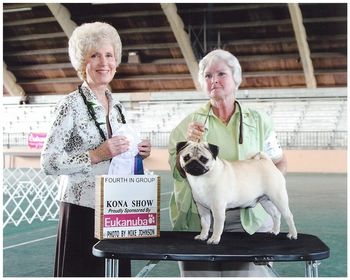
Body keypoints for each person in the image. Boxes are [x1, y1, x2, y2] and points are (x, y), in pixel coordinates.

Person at [41, 22, 151, 277]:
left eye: (109, 55)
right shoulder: (70, 105)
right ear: (83, 63)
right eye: (95, 55)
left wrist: (137, 152)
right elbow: (49, 162)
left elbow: (119, 152)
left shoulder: (118, 105)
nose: (104, 62)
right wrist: (96, 154)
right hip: (82, 210)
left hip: (117, 207)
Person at [168, 49, 287, 277]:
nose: (214, 81)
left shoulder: (259, 121)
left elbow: (278, 162)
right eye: (208, 76)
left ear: (236, 79)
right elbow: (177, 173)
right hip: (200, 218)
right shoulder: (187, 125)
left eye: (221, 74)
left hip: (251, 221)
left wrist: (267, 191)